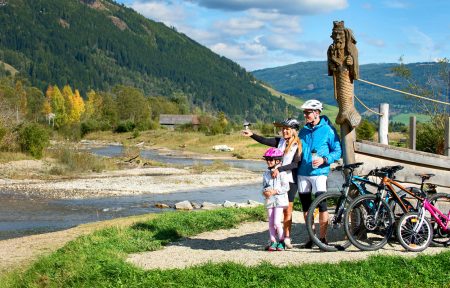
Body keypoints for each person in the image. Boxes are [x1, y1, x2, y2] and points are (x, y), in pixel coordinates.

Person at [243, 118, 301, 249]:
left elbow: (295, 164)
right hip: (275, 180)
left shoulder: (297, 144)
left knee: (287, 210)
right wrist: (252, 135)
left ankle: (286, 238)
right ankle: (274, 239)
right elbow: (264, 140)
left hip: (290, 180)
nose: (284, 131)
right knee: (273, 210)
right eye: (283, 129)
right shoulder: (279, 141)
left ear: (293, 131)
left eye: (287, 129)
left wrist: (278, 169)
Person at [298, 99, 342, 248]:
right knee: (306, 207)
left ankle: (323, 238)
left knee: (322, 206)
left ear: (316, 113)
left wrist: (324, 159)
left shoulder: (328, 130)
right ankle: (312, 237)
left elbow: (338, 151)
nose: (305, 115)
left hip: (319, 173)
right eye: (304, 112)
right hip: (302, 172)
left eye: (307, 112)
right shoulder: (303, 130)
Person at [261, 147, 289, 251]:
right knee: (271, 222)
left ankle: (282, 241)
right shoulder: (266, 173)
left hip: (280, 200)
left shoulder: (282, 173)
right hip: (269, 200)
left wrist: (275, 191)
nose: (268, 162)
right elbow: (264, 186)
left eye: (271, 160)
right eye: (267, 159)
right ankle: (273, 241)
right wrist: (265, 192)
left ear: (277, 161)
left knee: (277, 222)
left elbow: (286, 187)